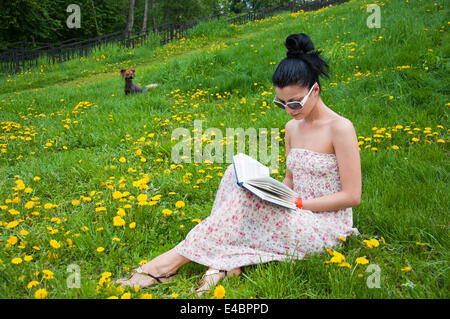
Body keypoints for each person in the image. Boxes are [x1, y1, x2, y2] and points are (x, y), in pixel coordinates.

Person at [114, 33, 361, 297]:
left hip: (323, 226)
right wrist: (270, 191)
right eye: (281, 103)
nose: (289, 109)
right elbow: (290, 181)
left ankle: (168, 264)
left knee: (245, 200)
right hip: (296, 208)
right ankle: (221, 261)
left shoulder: (341, 128)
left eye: (295, 102)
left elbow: (351, 196)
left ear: (315, 90)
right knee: (235, 175)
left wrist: (299, 204)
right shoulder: (293, 127)